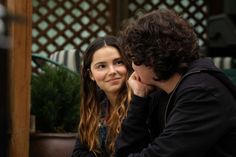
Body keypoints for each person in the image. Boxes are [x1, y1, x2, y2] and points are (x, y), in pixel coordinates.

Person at [115, 9, 236, 157]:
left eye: (133, 58)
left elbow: (164, 153)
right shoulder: (161, 90)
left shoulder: (202, 92)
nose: (132, 67)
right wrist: (139, 98)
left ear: (150, 60)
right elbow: (126, 150)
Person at [71, 35, 132, 157]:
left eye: (119, 62)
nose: (112, 71)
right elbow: (79, 153)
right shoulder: (95, 106)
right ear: (91, 74)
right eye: (102, 66)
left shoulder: (139, 102)